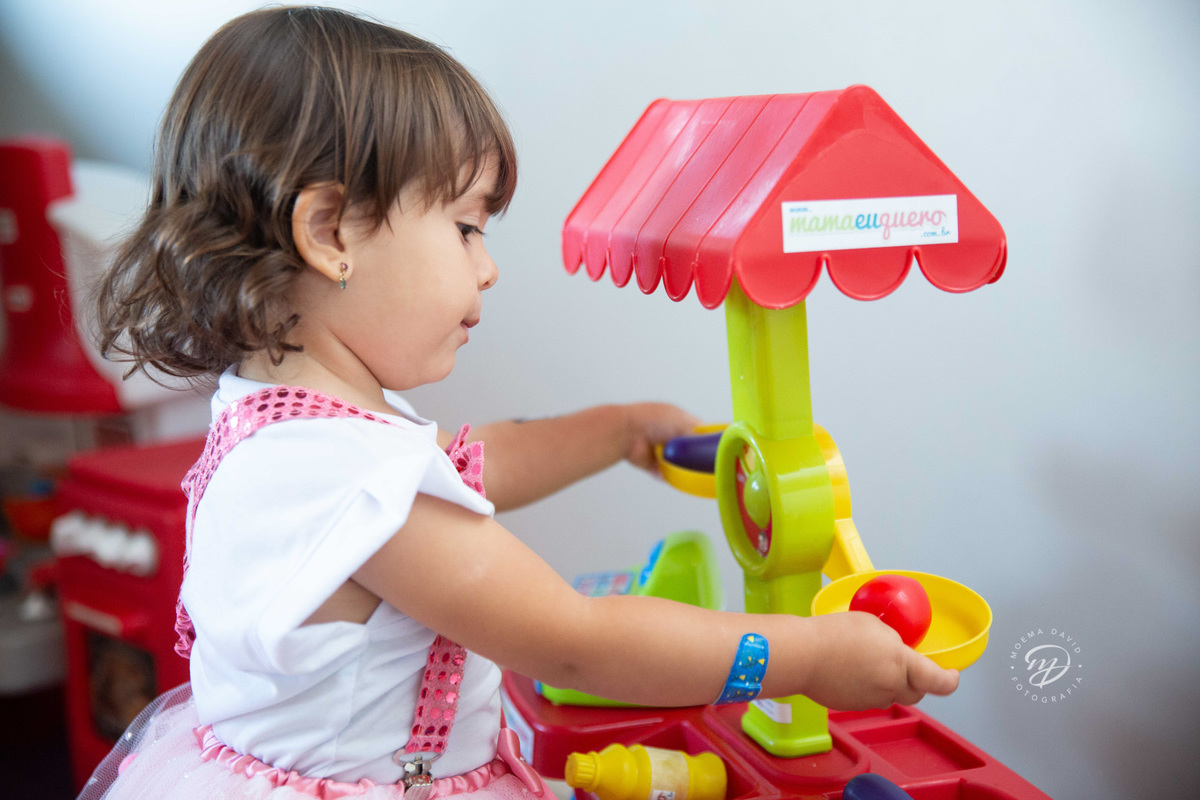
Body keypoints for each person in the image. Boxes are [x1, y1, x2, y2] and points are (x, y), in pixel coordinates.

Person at [83, 7, 959, 799]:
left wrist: (615, 433)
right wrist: (805, 658)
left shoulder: (283, 424)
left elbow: (469, 464)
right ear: (330, 232)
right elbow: (573, 641)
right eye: (466, 226)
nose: (487, 265)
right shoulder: (355, 484)